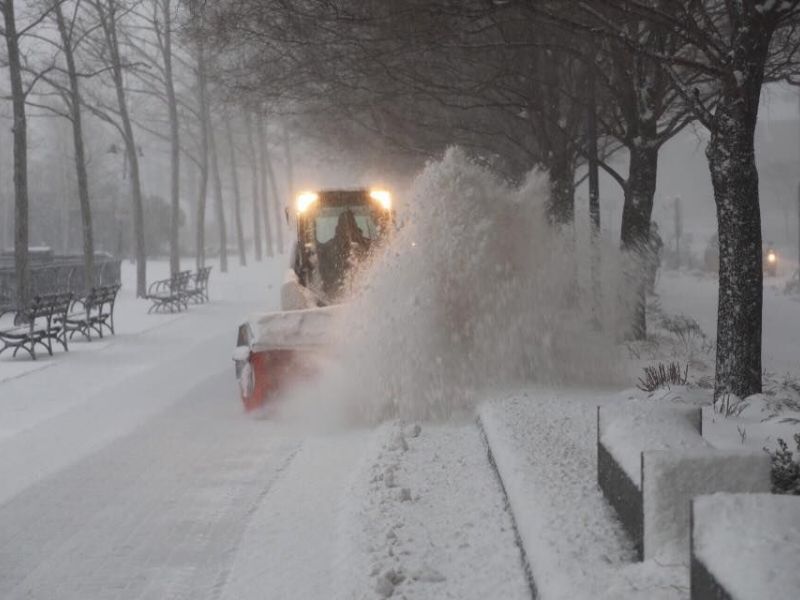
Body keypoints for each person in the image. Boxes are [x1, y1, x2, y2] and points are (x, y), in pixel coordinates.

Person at [645, 221, 663, 294]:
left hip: (654, 257)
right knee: (647, 274)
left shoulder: (658, 237)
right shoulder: (647, 236)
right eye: (652, 227)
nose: (653, 228)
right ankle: (646, 290)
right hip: (648, 257)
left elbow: (661, 247)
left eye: (655, 227)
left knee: (653, 275)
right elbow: (645, 245)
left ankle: (650, 290)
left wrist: (659, 256)